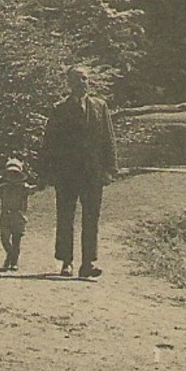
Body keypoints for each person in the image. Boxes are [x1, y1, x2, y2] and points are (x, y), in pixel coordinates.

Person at [37, 65, 116, 278]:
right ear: (69, 83)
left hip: (93, 173)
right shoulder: (60, 109)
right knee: (65, 217)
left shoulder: (100, 106)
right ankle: (66, 262)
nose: (83, 83)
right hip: (67, 173)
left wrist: (109, 169)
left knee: (91, 218)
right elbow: (50, 142)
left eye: (85, 79)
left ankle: (88, 262)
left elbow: (108, 139)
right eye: (78, 79)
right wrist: (49, 172)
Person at [0, 158, 44, 272]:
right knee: (4, 238)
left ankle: (14, 261)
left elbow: (34, 189)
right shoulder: (3, 187)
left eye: (15, 174)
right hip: (5, 216)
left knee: (16, 240)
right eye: (10, 174)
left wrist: (41, 184)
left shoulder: (24, 187)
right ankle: (10, 253)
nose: (13, 177)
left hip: (19, 216)